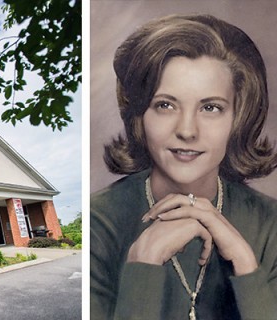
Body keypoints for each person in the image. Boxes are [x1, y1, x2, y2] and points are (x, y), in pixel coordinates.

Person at [90, 14, 277, 319]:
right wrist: (143, 265)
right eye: (165, 105)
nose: (187, 130)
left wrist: (247, 266)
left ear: (238, 118)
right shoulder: (98, 223)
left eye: (211, 107)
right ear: (139, 114)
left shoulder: (270, 223)